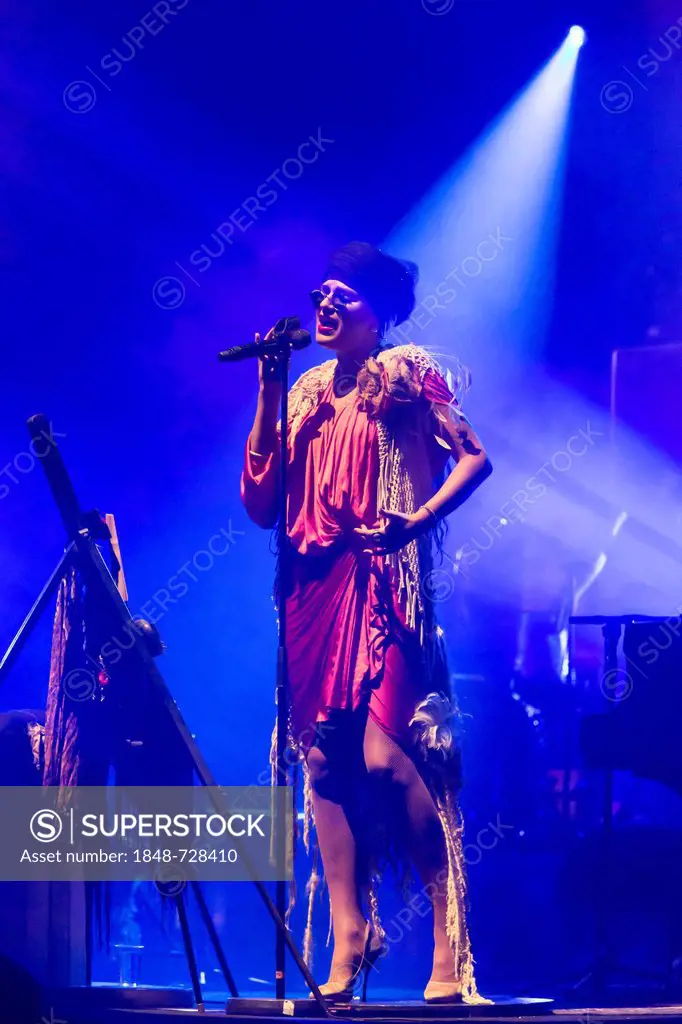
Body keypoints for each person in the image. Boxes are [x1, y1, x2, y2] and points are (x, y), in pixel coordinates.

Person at [240, 242, 492, 1004]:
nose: (324, 304)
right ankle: (351, 937)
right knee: (323, 764)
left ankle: (450, 939)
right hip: (312, 589)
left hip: (383, 577)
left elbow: (474, 458)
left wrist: (414, 520)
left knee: (390, 755)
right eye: (320, 291)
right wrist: (268, 387)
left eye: (342, 295)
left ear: (376, 311)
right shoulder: (308, 387)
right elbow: (259, 503)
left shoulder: (409, 370)